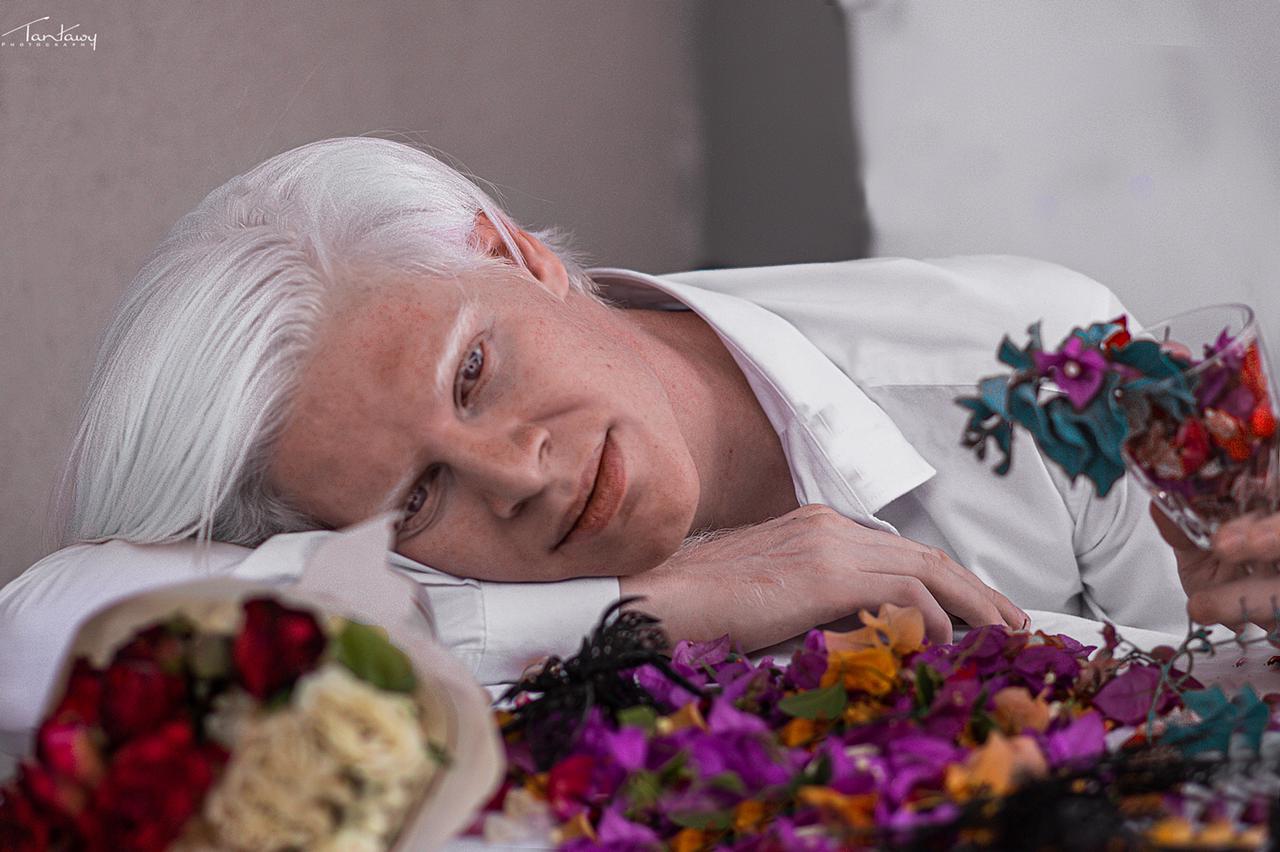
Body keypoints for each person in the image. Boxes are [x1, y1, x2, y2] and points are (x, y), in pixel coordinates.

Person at [0, 137, 1191, 750]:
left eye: (473, 373)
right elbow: (41, 632)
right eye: (415, 496)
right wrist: (645, 609)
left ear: (514, 252)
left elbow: (1224, 692)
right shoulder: (369, 576)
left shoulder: (1040, 362)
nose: (515, 476)